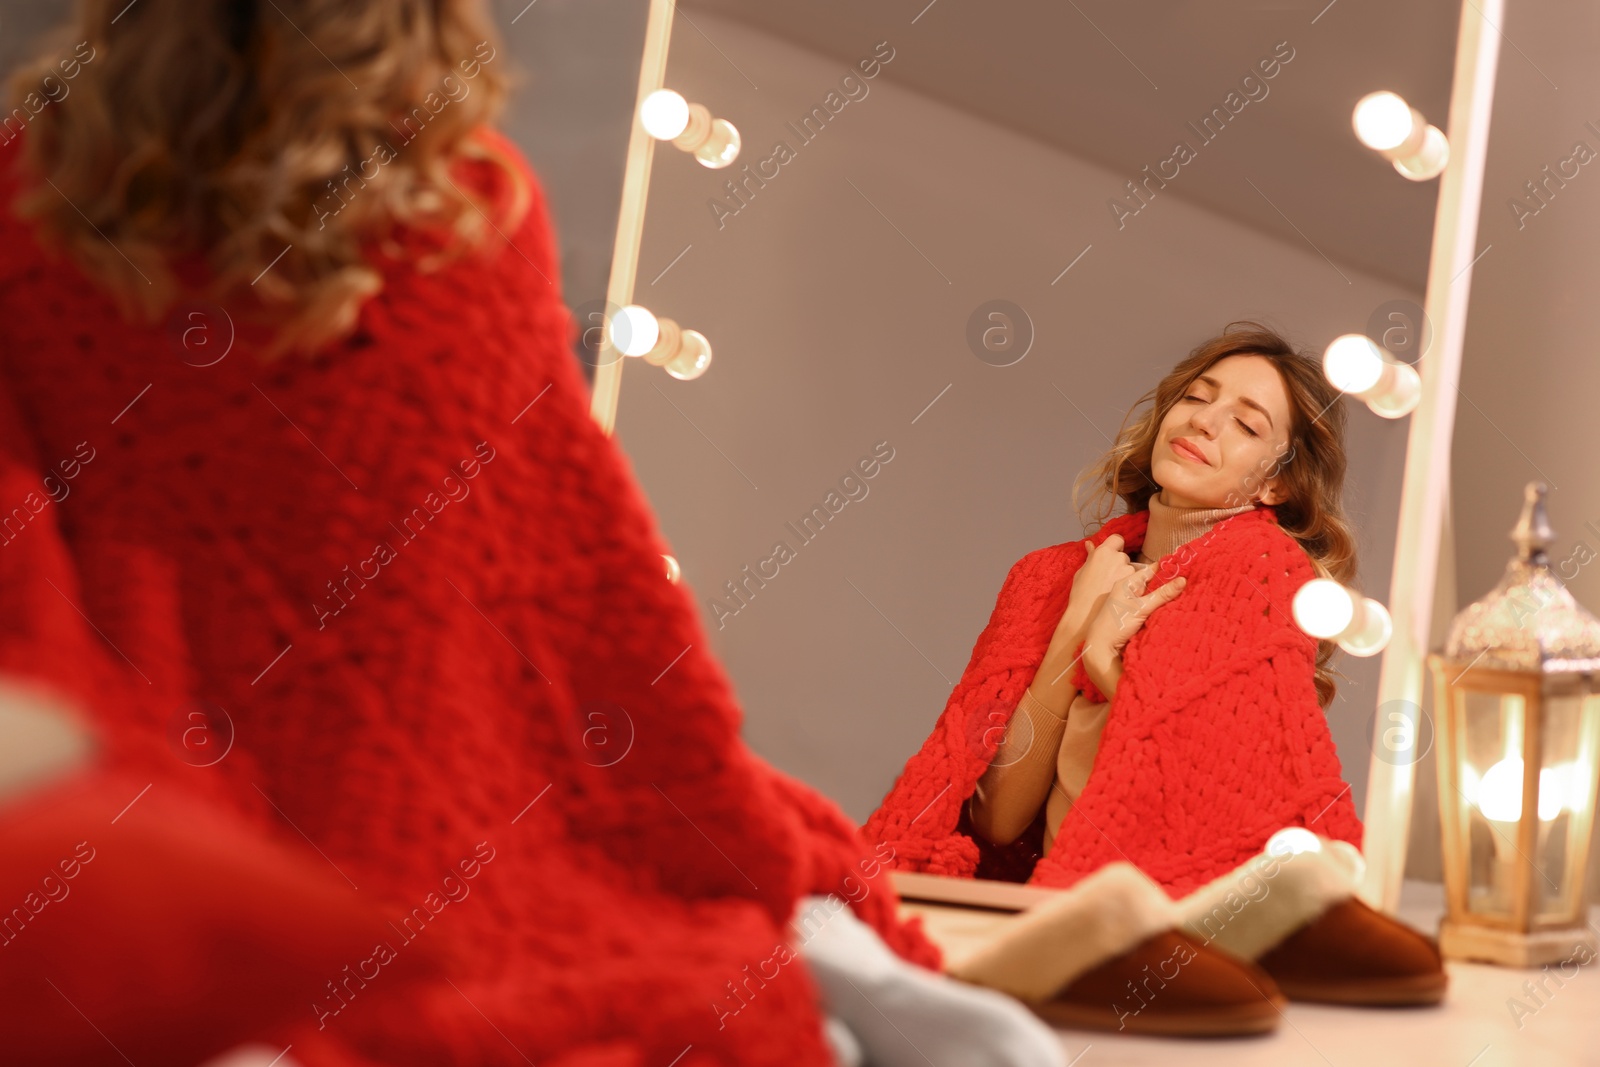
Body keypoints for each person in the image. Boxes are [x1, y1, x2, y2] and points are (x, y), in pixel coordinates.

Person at [0, 3, 1066, 1064]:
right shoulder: (470, 204)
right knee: (678, 880)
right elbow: (574, 585)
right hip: (460, 768)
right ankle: (831, 971)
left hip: (211, 762)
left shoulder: (31, 199)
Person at [863, 323, 1365, 893]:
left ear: (1275, 486)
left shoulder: (1264, 579)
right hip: (1039, 915)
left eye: (1247, 424)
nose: (1203, 419)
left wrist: (1105, 666)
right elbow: (996, 822)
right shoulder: (1050, 578)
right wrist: (1076, 626)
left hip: (1157, 930)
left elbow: (1205, 812)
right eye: (1198, 396)